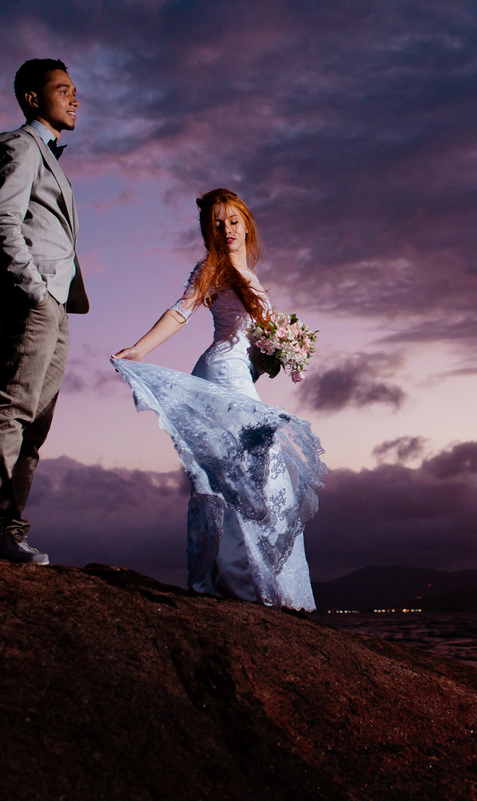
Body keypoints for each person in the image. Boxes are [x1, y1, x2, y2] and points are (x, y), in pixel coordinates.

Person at [112, 189, 325, 611]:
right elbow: (180, 310)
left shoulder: (249, 271)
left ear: (246, 223)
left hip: (241, 374)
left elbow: (254, 343)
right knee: (246, 476)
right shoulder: (213, 268)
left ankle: (267, 585)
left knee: (256, 474)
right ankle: (241, 583)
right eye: (216, 223)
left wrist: (278, 352)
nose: (225, 230)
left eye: (232, 221)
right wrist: (139, 349)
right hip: (221, 372)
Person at [0, 59, 89, 565]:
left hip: (57, 304)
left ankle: (7, 528)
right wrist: (34, 288)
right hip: (35, 299)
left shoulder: (48, 154)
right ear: (33, 99)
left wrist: (52, 296)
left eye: (75, 91)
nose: (75, 99)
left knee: (36, 424)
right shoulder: (17, 144)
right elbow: (1, 219)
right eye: (63, 90)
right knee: (13, 407)